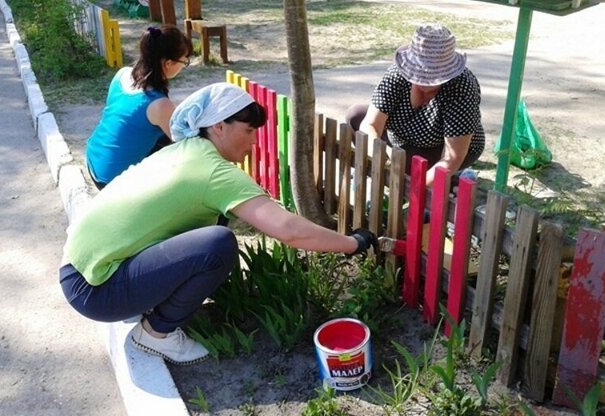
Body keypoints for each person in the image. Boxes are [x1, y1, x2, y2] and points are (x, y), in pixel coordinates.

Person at [59, 83, 377, 366]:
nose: (253, 142)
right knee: (218, 244)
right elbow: (289, 231)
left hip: (82, 265)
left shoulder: (184, 151)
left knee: (215, 223)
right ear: (219, 126)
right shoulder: (214, 173)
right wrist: (354, 243)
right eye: (249, 131)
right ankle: (157, 333)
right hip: (95, 290)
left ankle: (144, 305)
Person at [346, 24, 485, 186]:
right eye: (420, 77)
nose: (425, 84)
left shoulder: (461, 86)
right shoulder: (397, 75)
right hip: (401, 142)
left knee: (415, 165)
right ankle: (414, 172)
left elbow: (452, 156)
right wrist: (380, 156)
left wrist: (414, 190)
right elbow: (370, 124)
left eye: (433, 79)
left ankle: (446, 179)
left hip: (438, 147)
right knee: (355, 115)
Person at [85, 25, 193, 189]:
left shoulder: (123, 74)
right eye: (184, 61)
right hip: (111, 181)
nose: (184, 65)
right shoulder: (159, 105)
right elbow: (189, 147)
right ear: (168, 63)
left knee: (161, 137)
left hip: (94, 158)